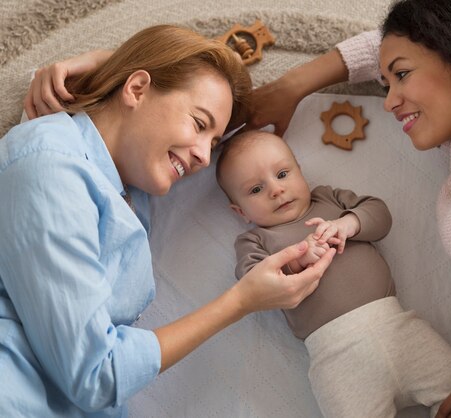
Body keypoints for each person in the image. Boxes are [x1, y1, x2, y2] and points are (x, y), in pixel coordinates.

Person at [22, 1, 451, 417]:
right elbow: (392, 46)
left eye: (400, 78)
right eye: (385, 81)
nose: (388, 100)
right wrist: (295, 83)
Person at [0, 24, 335, 417]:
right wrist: (240, 301)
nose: (205, 157)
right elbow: (95, 375)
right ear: (137, 90)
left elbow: (241, 132)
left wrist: (106, 65)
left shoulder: (128, 186)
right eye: (199, 124)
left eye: (212, 142)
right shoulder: (49, 167)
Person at [215, 129, 451, 418]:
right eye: (256, 190)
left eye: (283, 174)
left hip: (399, 329)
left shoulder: (328, 200)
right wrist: (297, 261)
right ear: (240, 212)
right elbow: (254, 284)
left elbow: (379, 213)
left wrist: (349, 224)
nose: (276, 190)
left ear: (300, 170)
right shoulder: (254, 241)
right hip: (336, 357)